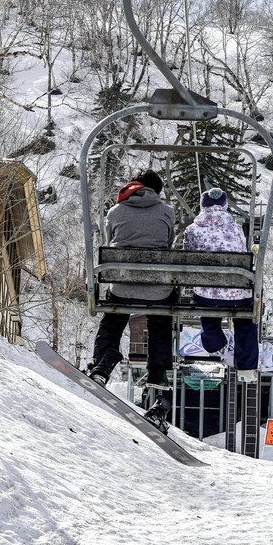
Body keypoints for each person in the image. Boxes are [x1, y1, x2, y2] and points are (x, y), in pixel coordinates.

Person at [86, 169, 177, 421]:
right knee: (160, 319)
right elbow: (168, 243)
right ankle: (158, 374)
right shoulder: (167, 211)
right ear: (157, 191)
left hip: (123, 285)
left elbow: (108, 240)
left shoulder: (115, 211)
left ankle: (104, 361)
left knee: (114, 316)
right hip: (158, 289)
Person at [183, 187, 258, 375]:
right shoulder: (236, 228)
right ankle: (247, 367)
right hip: (239, 293)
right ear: (224, 205)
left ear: (202, 206)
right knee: (245, 322)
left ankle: (213, 342)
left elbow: (186, 258)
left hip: (207, 295)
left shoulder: (192, 230)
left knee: (208, 308)